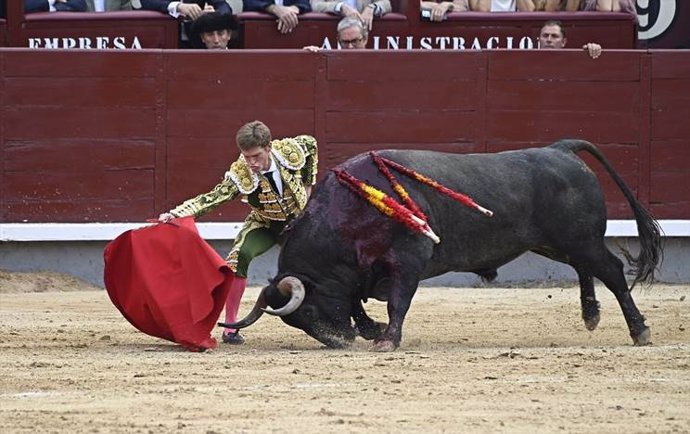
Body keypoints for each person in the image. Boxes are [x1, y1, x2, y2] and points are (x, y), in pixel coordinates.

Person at [158, 121, 318, 345]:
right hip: (265, 224)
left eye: (256, 156)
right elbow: (212, 198)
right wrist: (176, 214)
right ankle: (230, 327)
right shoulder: (240, 173)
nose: (251, 163)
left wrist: (309, 184)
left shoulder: (290, 151)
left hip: (299, 223)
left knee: (326, 261)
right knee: (238, 257)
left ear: (269, 147)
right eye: (246, 157)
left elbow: (311, 144)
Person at [311, 0, 390, 32]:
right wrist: (340, 7)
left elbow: (386, 3)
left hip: (364, 30)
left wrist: (372, 8)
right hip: (332, 31)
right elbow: (316, 4)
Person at [243, 0, 311, 34]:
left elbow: (305, 3)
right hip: (258, 35)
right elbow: (249, 3)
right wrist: (273, 9)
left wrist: (292, 10)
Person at [303, 15, 367, 51]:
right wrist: (310, 55)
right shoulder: (331, 60)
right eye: (345, 42)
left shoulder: (376, 61)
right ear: (339, 41)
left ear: (365, 39)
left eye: (354, 41)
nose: (350, 47)